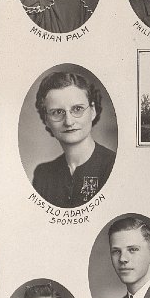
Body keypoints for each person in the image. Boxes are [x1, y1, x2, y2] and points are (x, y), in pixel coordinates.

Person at [31, 70, 116, 208]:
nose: (69, 122)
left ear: (92, 111)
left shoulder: (113, 166)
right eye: (57, 112)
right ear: (46, 119)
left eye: (77, 109)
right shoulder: (43, 175)